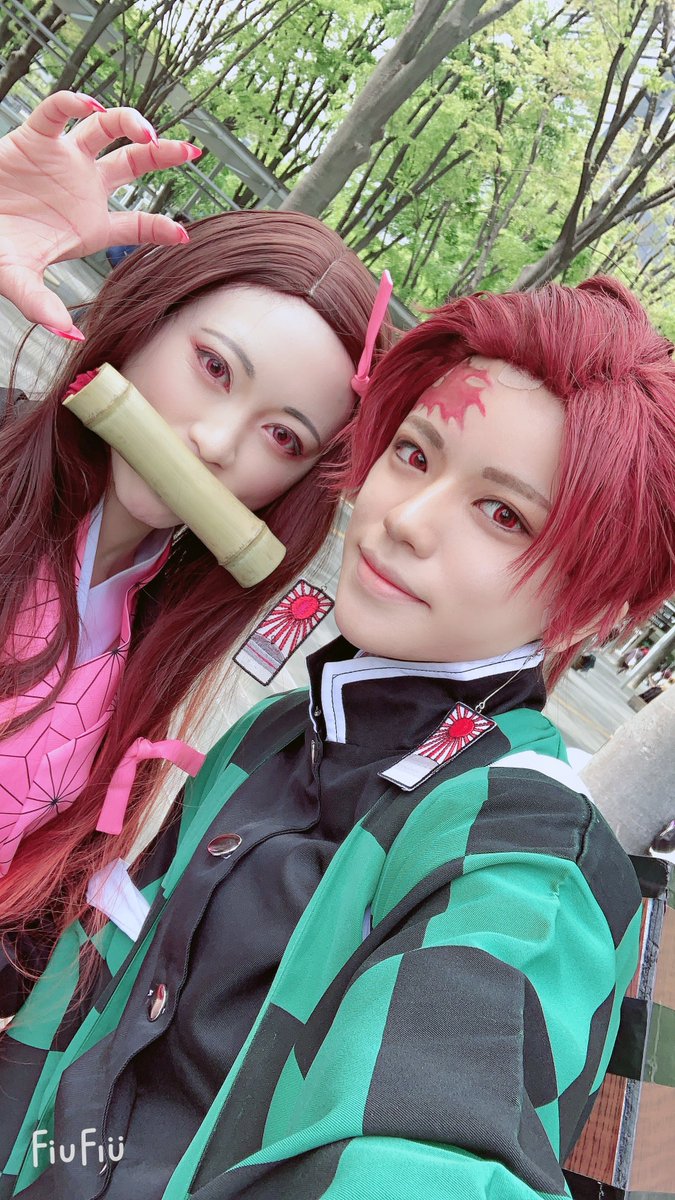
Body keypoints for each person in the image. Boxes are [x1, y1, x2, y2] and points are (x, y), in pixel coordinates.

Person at [2, 276, 673, 1200]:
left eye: (503, 515)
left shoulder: (522, 846)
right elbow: (69, 1016)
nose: (405, 519)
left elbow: (439, 1151)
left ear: (592, 609)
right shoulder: (270, 736)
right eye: (413, 454)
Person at [0, 93, 392, 984]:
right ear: (148, 321)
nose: (215, 443)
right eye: (213, 366)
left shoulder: (157, 644)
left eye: (281, 436)